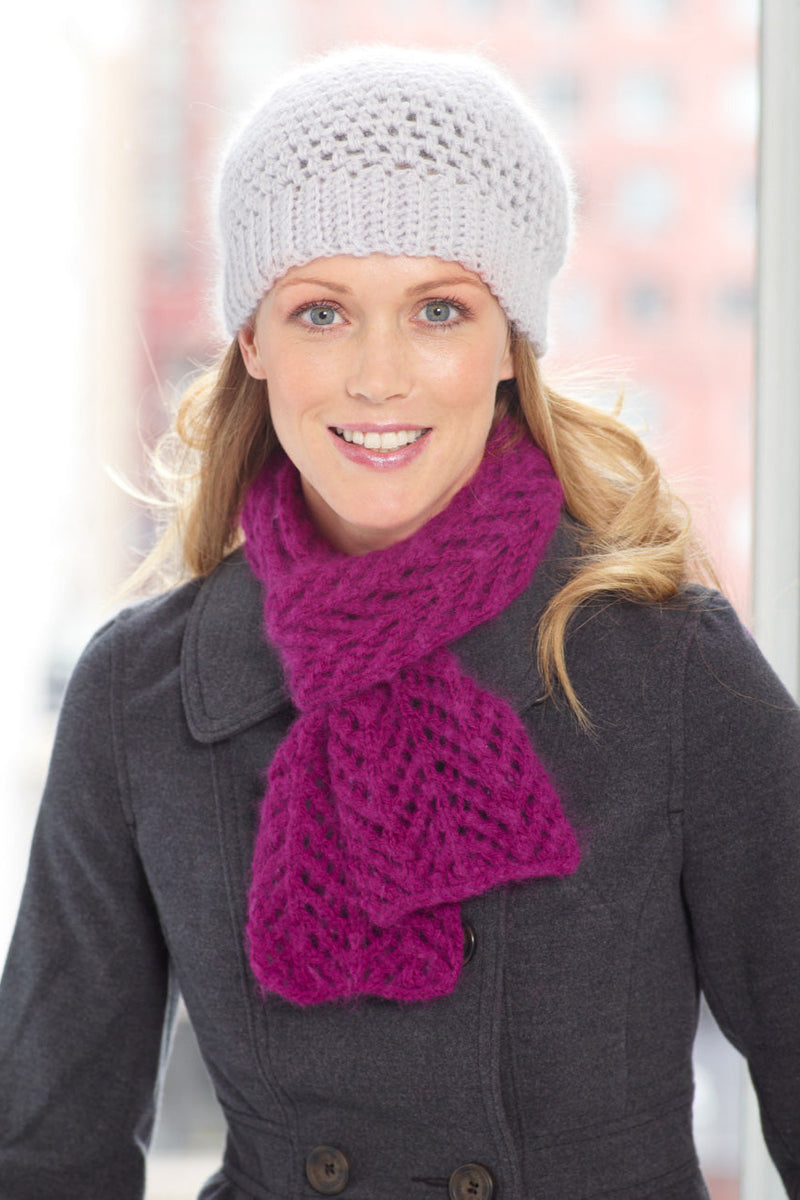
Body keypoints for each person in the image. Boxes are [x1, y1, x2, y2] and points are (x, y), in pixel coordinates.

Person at [0, 44, 798, 1200]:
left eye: (437, 310)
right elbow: (43, 1153)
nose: (378, 377)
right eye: (321, 311)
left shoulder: (663, 664)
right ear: (253, 340)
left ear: (507, 344)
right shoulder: (143, 695)